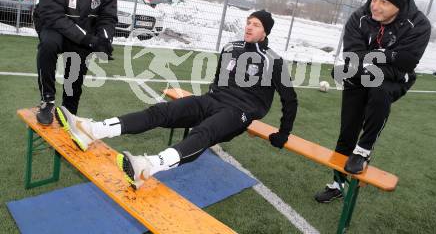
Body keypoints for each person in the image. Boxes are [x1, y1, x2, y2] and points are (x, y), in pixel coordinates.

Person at [56, 10, 298, 189]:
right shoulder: (230, 47)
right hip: (212, 100)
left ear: (265, 31)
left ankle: (147, 166)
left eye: (255, 25)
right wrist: (212, 95)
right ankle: (92, 130)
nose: (249, 27)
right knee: (159, 112)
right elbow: (218, 76)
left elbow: (290, 100)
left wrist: (283, 133)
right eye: (248, 23)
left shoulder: (273, 61)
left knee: (202, 133)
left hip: (238, 113)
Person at [315, 0, 431, 203]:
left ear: (398, 5)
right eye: (374, 0)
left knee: (378, 89)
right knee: (348, 128)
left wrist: (377, 61)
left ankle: (363, 150)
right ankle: (337, 183)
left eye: (384, 2)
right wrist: (386, 57)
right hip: (360, 72)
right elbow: (354, 57)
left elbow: (406, 62)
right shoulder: (359, 18)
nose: (375, 6)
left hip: (395, 78)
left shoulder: (419, 25)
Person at [34, 0, 117, 125]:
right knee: (48, 44)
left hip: (84, 31)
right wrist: (89, 40)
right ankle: (47, 100)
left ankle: (68, 113)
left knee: (76, 75)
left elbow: (108, 16)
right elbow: (53, 15)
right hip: (54, 27)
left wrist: (104, 39)